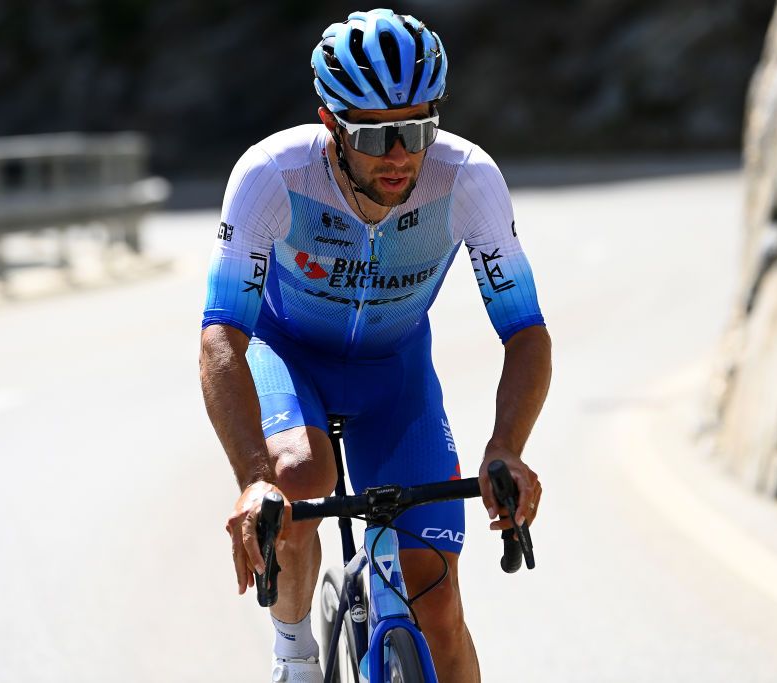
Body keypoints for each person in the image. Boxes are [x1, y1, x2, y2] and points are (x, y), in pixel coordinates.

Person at [200, 8, 551, 682]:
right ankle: (295, 653)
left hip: (394, 373)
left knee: (440, 603)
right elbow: (222, 339)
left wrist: (507, 444)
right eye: (376, 135)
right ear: (331, 124)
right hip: (289, 354)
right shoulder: (273, 176)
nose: (400, 156)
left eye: (418, 129)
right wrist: (253, 479)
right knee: (300, 476)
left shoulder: (466, 179)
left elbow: (525, 331)